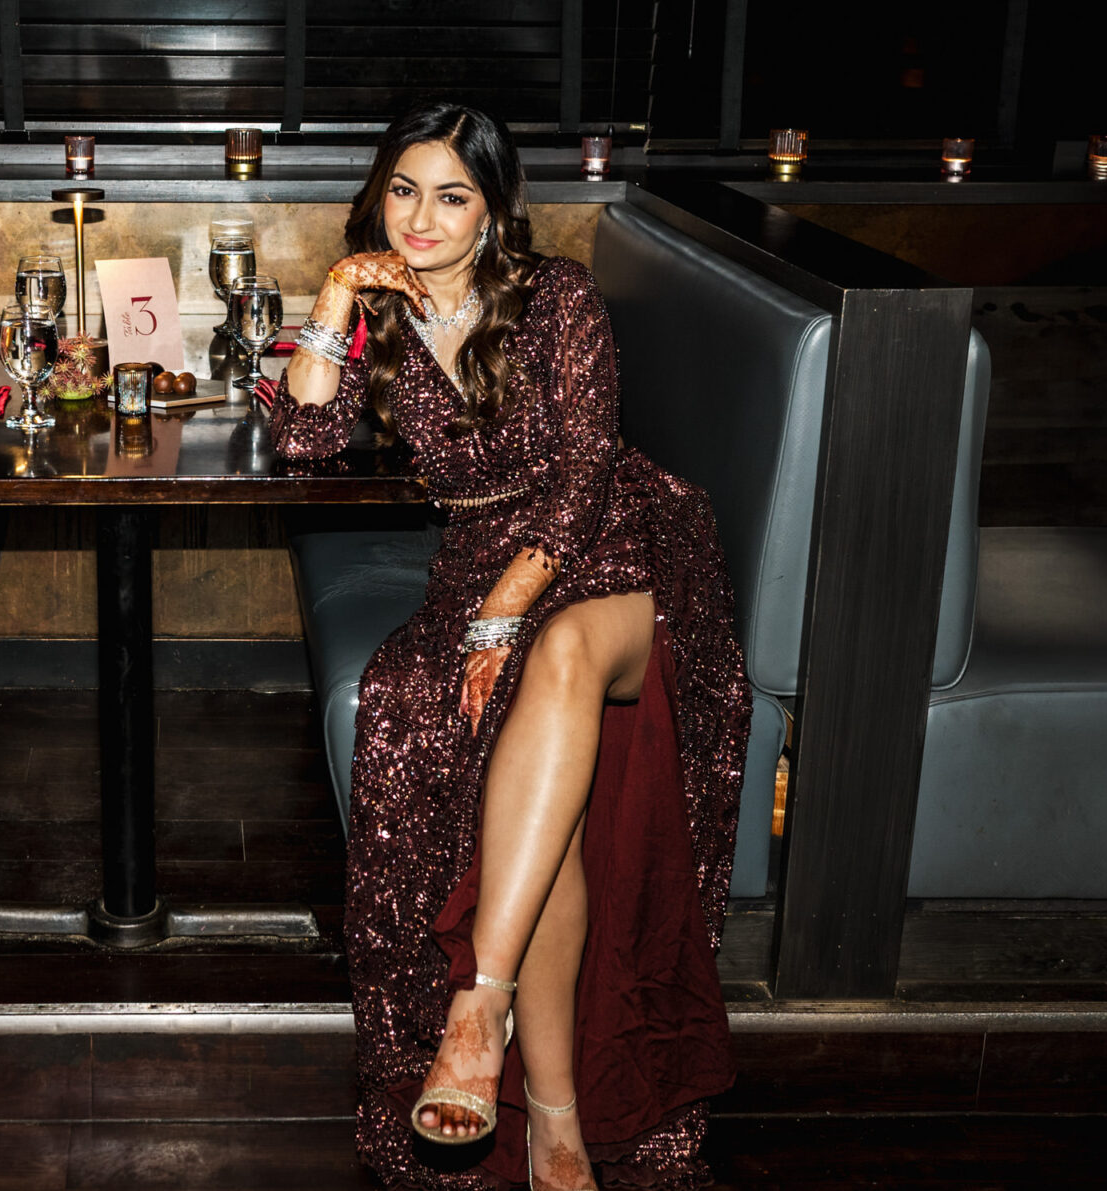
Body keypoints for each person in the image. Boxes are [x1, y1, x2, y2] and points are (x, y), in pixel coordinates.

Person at [269, 104, 749, 1189]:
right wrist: (334, 299)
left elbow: (582, 480)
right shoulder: (379, 313)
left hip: (623, 546)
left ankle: (474, 1010)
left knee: (559, 654)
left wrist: (502, 610)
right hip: (476, 564)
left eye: (452, 196)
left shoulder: (557, 295)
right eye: (403, 189)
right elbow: (303, 437)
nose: (421, 217)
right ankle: (557, 1127)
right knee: (534, 795)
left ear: (493, 211)